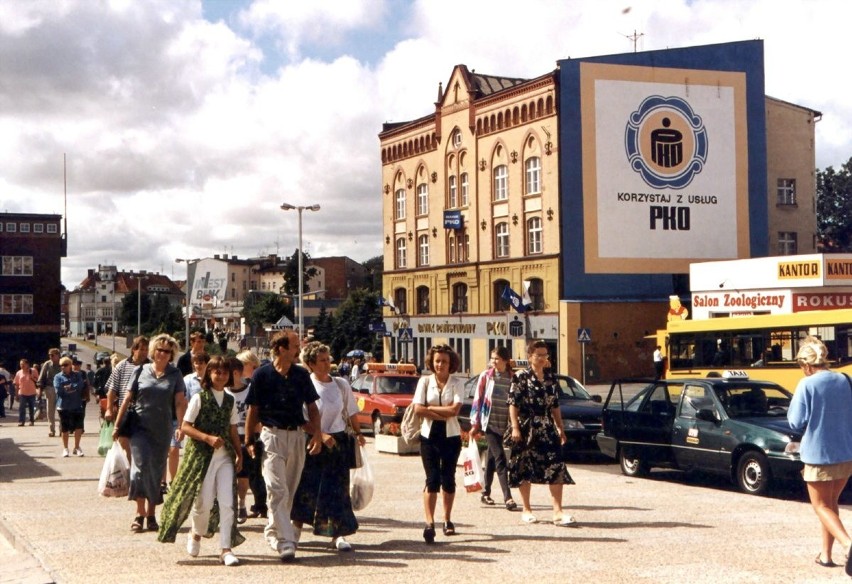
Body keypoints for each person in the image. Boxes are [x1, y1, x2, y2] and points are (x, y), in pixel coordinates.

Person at [244, 330, 323, 562]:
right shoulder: (262, 375)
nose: (299, 349)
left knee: (287, 491)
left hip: (297, 436)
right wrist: (249, 440)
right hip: (271, 437)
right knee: (277, 489)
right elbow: (253, 411)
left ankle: (272, 530)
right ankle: (286, 541)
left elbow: (313, 408)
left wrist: (317, 435)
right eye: (295, 346)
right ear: (281, 349)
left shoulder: (300, 375)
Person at [158, 356, 244, 567]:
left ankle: (226, 549)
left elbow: (233, 429)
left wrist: (239, 453)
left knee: (227, 502)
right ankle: (196, 532)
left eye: (225, 372)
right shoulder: (199, 398)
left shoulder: (230, 400)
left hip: (224, 456)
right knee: (203, 502)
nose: (221, 376)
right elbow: (185, 426)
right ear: (209, 374)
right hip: (202, 457)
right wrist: (206, 437)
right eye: (217, 372)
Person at [291, 342, 365, 552]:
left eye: (328, 358)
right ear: (311, 364)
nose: (327, 363)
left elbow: (351, 412)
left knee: (338, 490)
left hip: (338, 442)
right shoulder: (306, 384)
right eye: (322, 360)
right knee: (306, 487)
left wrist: (359, 434)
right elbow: (300, 418)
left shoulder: (341, 384)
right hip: (312, 441)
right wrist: (320, 435)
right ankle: (294, 532)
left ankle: (338, 534)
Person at [787, 336, 852, 571]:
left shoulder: (807, 384)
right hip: (846, 452)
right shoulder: (845, 379)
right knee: (831, 503)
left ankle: (848, 544)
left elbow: (795, 422)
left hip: (818, 454)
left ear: (805, 364)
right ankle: (825, 555)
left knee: (821, 506)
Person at [113, 334, 188, 533]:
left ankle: (152, 514)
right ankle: (140, 513)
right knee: (140, 467)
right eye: (160, 350)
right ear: (153, 351)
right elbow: (127, 398)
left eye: (167, 351)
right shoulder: (140, 370)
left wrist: (181, 426)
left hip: (163, 428)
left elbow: (180, 402)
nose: (163, 354)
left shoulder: (175, 374)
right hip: (139, 427)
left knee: (156, 471)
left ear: (171, 355)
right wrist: (117, 425)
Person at [507, 340, 577, 527]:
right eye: (539, 355)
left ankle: (558, 512)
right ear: (530, 356)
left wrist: (560, 427)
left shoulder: (550, 377)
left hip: (547, 427)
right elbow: (512, 404)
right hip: (526, 427)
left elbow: (554, 404)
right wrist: (514, 427)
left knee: (556, 465)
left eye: (545, 355)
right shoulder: (520, 377)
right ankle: (527, 509)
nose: (543, 358)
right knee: (524, 465)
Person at [412, 344, 464, 544]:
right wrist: (441, 412)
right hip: (429, 437)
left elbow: (455, 411)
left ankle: (447, 519)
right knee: (432, 479)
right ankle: (429, 523)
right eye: (437, 361)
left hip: (451, 437)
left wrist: (431, 407)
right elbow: (418, 409)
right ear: (431, 363)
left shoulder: (456, 383)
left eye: (444, 361)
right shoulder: (424, 382)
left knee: (448, 479)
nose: (440, 365)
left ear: (451, 364)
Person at [470, 346, 517, 511]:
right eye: (492, 358)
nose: (493, 362)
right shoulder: (486, 377)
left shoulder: (513, 378)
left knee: (490, 458)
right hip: (489, 422)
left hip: (504, 423)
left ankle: (485, 492)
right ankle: (508, 497)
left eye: (496, 358)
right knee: (500, 459)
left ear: (505, 360)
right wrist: (475, 423)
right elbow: (478, 399)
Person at [232, 350, 266, 521]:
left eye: (242, 365)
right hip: (231, 436)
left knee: (250, 474)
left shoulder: (254, 387)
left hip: (250, 436)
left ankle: (252, 504)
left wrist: (256, 431)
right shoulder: (227, 390)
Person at [105, 336, 150, 463]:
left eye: (146, 349)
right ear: (133, 350)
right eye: (141, 349)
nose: (144, 352)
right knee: (124, 444)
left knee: (141, 447)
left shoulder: (150, 366)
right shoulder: (122, 366)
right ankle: (128, 474)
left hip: (144, 412)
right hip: (124, 411)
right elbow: (112, 390)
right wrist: (108, 409)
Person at [225, 353, 256, 524]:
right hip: (228, 436)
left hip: (246, 435)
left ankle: (242, 503)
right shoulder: (223, 392)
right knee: (227, 474)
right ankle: (230, 505)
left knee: (243, 475)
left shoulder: (251, 390)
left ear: (237, 373)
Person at [54, 357, 86, 457]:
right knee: (65, 428)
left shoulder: (77, 375)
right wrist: (72, 388)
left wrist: (68, 387)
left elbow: (80, 385)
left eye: (65, 365)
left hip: (77, 404)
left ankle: (77, 447)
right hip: (63, 406)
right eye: (61, 365)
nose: (63, 367)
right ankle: (65, 448)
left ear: (70, 365)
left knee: (78, 427)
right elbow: (59, 390)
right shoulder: (57, 377)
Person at [37, 348, 62, 436]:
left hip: (61, 389)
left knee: (61, 410)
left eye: (53, 355)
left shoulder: (63, 363)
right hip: (50, 388)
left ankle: (62, 429)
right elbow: (41, 378)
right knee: (50, 411)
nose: (51, 357)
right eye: (49, 355)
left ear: (58, 355)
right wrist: (40, 390)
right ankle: (52, 430)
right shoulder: (47, 364)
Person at [15, 359, 39, 426]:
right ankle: (21, 421)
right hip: (22, 393)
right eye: (20, 364)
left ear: (27, 364)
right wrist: (16, 394)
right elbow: (16, 384)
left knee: (31, 408)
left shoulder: (33, 371)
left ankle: (31, 421)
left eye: (23, 364)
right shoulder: (18, 373)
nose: (21, 366)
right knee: (21, 408)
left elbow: (38, 381)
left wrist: (32, 378)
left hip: (32, 392)